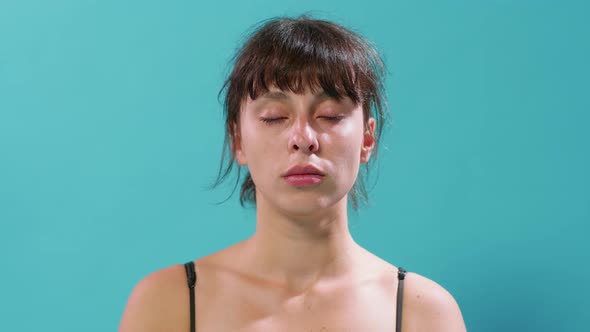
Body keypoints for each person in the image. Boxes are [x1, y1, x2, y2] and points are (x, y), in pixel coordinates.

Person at [119, 15, 466, 332]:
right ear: (238, 140)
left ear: (367, 138)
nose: (303, 139)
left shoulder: (423, 313)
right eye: (274, 117)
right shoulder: (168, 302)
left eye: (330, 115)